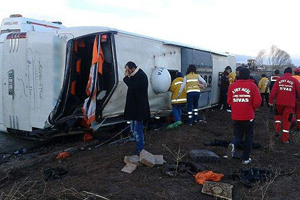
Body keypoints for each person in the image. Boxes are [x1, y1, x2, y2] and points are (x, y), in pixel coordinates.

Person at [227, 68, 261, 164]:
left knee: (237, 136)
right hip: (248, 116)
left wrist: (236, 106)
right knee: (248, 137)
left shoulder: (233, 86)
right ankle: (245, 158)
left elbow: (229, 100)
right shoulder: (252, 86)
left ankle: (232, 144)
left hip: (235, 116)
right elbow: (257, 101)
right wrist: (252, 108)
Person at [123, 61, 150, 155]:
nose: (127, 72)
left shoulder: (140, 76)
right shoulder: (137, 75)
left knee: (138, 130)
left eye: (128, 70)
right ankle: (139, 146)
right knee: (134, 129)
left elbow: (132, 86)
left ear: (133, 68)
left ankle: (140, 148)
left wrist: (126, 78)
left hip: (139, 108)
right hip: (135, 108)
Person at [269, 67, 300, 143]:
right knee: (287, 121)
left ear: (284, 72)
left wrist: (270, 101)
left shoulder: (279, 80)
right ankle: (285, 139)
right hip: (290, 104)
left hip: (279, 103)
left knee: (278, 117)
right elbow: (299, 92)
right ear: (291, 73)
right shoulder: (294, 80)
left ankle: (277, 130)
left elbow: (273, 91)